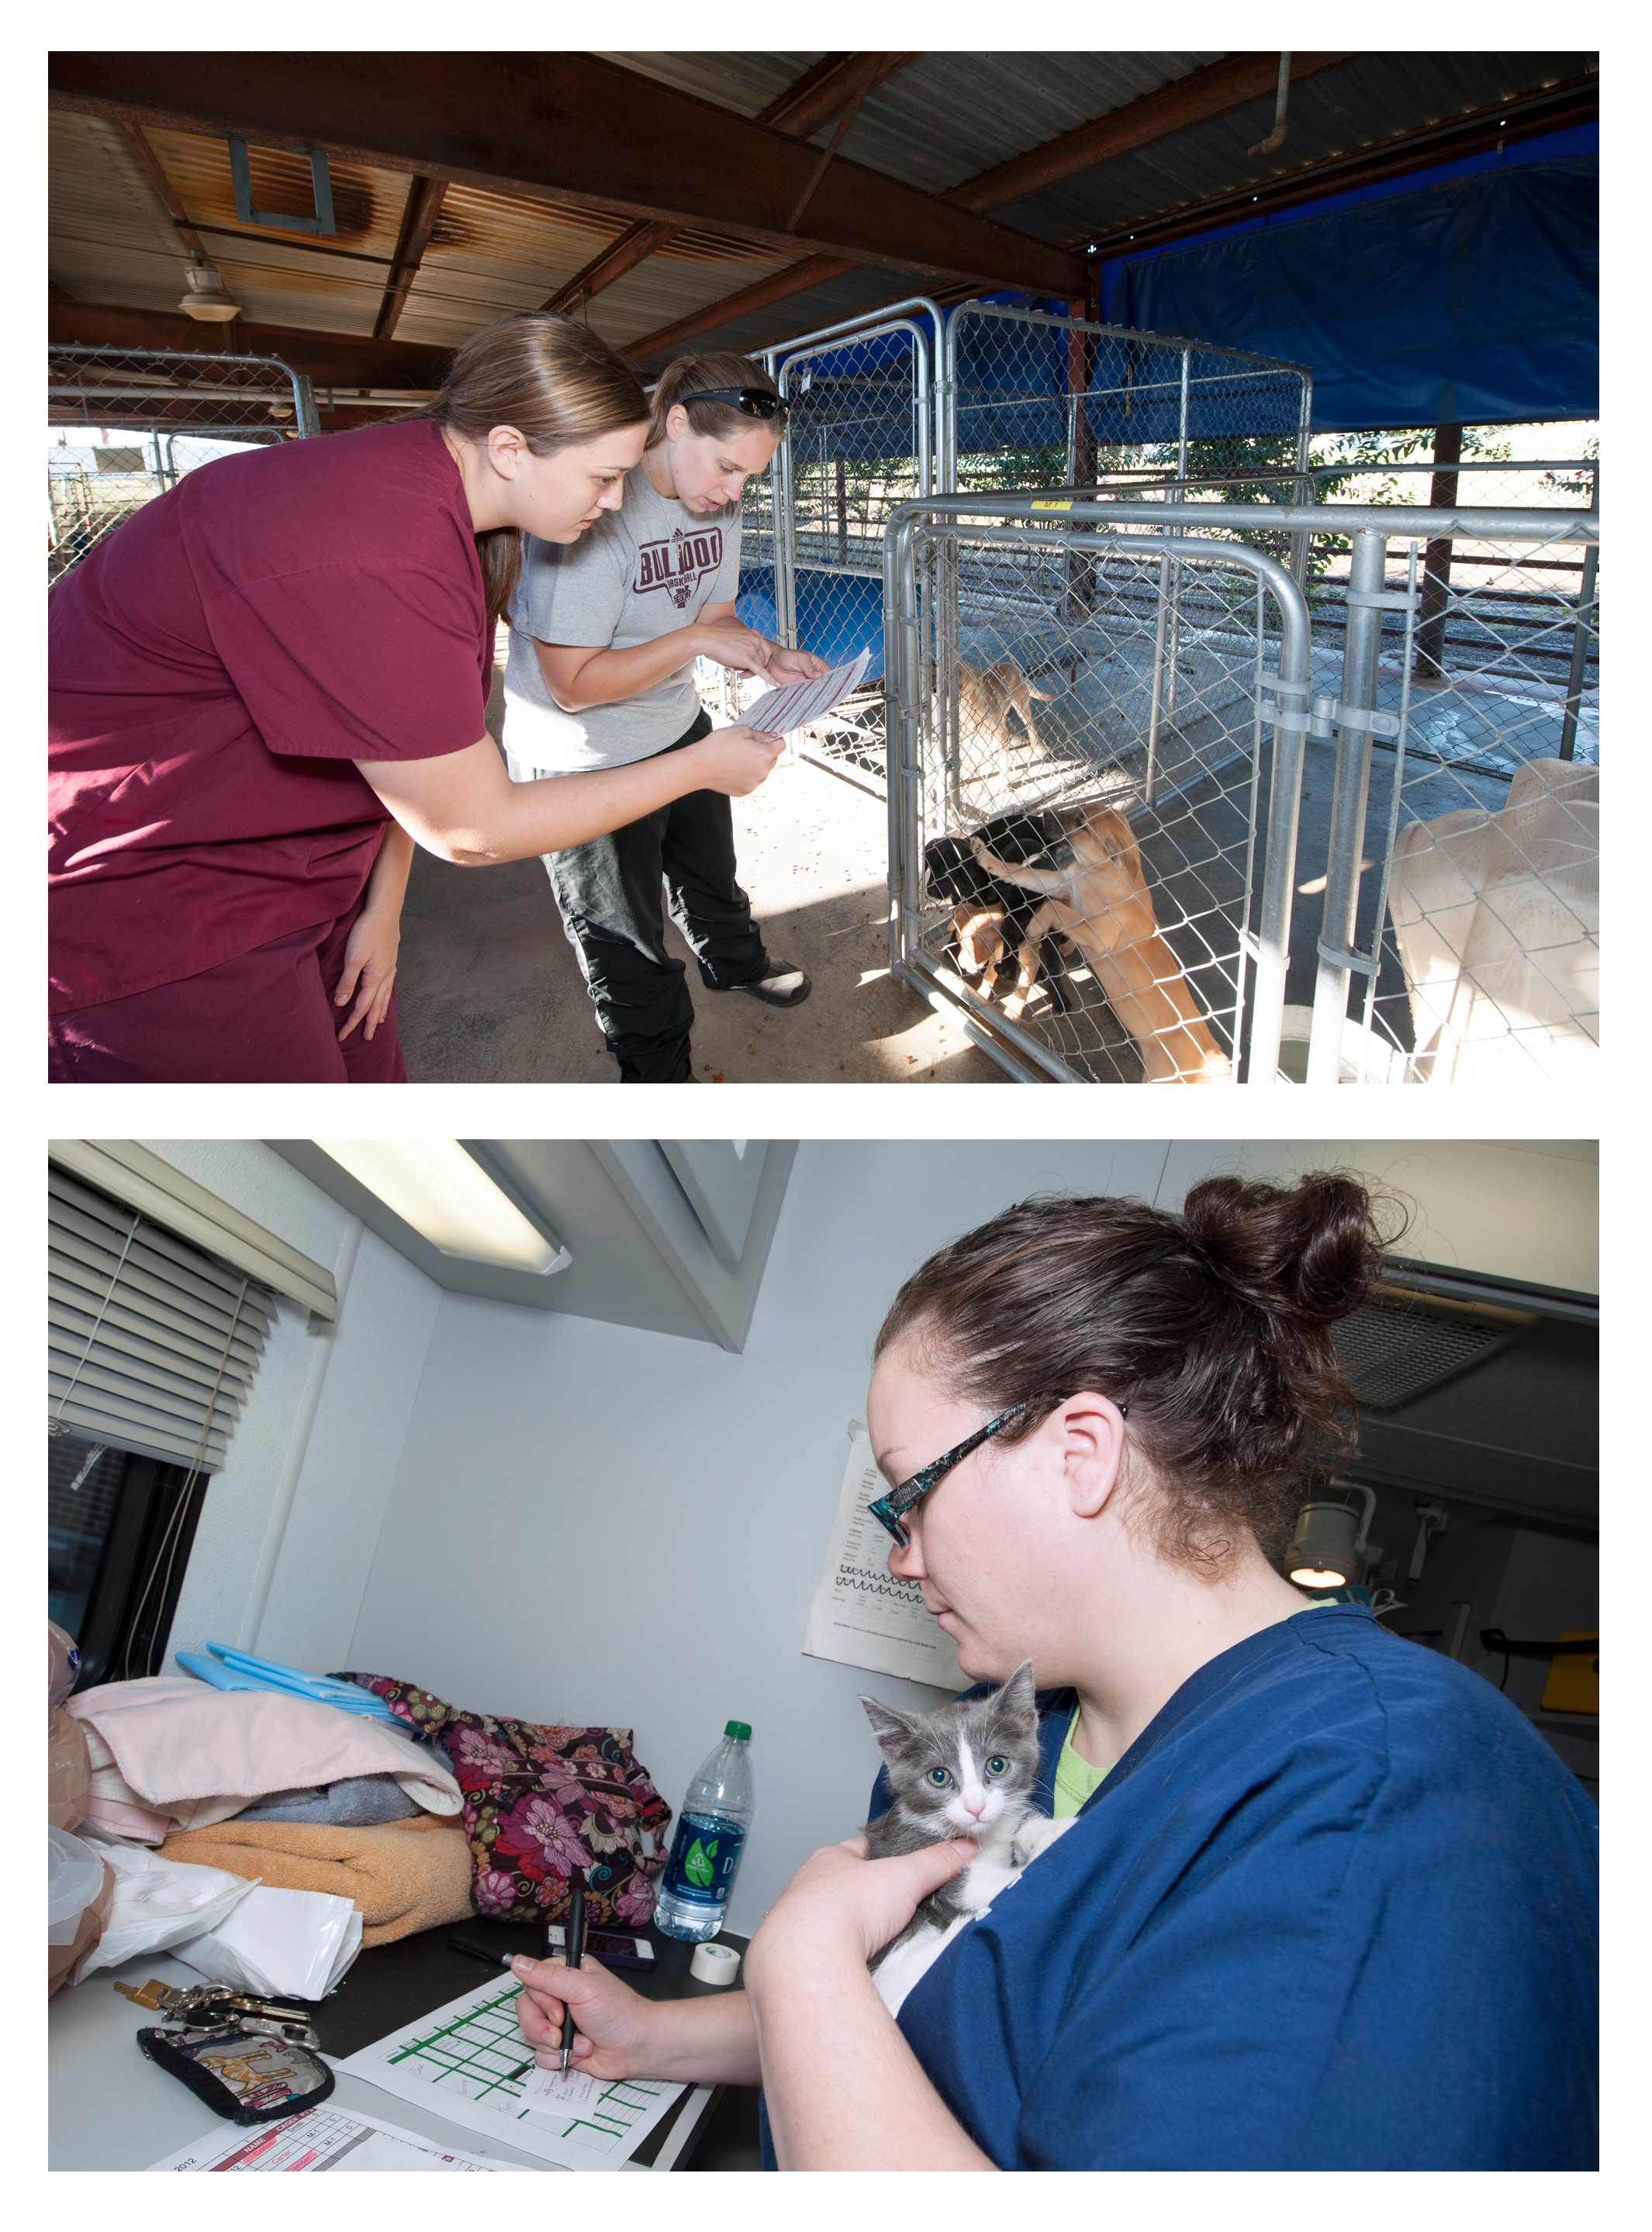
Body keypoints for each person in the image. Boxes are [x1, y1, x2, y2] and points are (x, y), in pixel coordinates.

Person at [510, 1176, 1598, 2170]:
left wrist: (798, 1952)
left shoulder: (1382, 1791)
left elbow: (829, 1983)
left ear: (1081, 1450)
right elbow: (898, 2017)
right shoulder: (987, 1749)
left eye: (909, 1492)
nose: (902, 1553)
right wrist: (653, 2032)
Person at [47, 313, 784, 1083]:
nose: (614, 500)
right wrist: (703, 765)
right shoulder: (385, 549)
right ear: (509, 449)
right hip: (150, 888)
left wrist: (383, 903)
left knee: (372, 1072)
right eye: (603, 477)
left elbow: (417, 748)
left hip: (303, 855)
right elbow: (472, 827)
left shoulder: (458, 517)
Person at [500, 351, 828, 1083]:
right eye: (725, 468)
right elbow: (572, 686)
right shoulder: (590, 516)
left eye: (749, 475)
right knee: (625, 939)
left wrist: (763, 656)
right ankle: (660, 1081)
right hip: (582, 757)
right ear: (675, 423)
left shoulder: (719, 501)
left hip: (675, 725)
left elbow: (717, 615)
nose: (734, 489)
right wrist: (692, 641)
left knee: (711, 874)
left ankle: (733, 963)